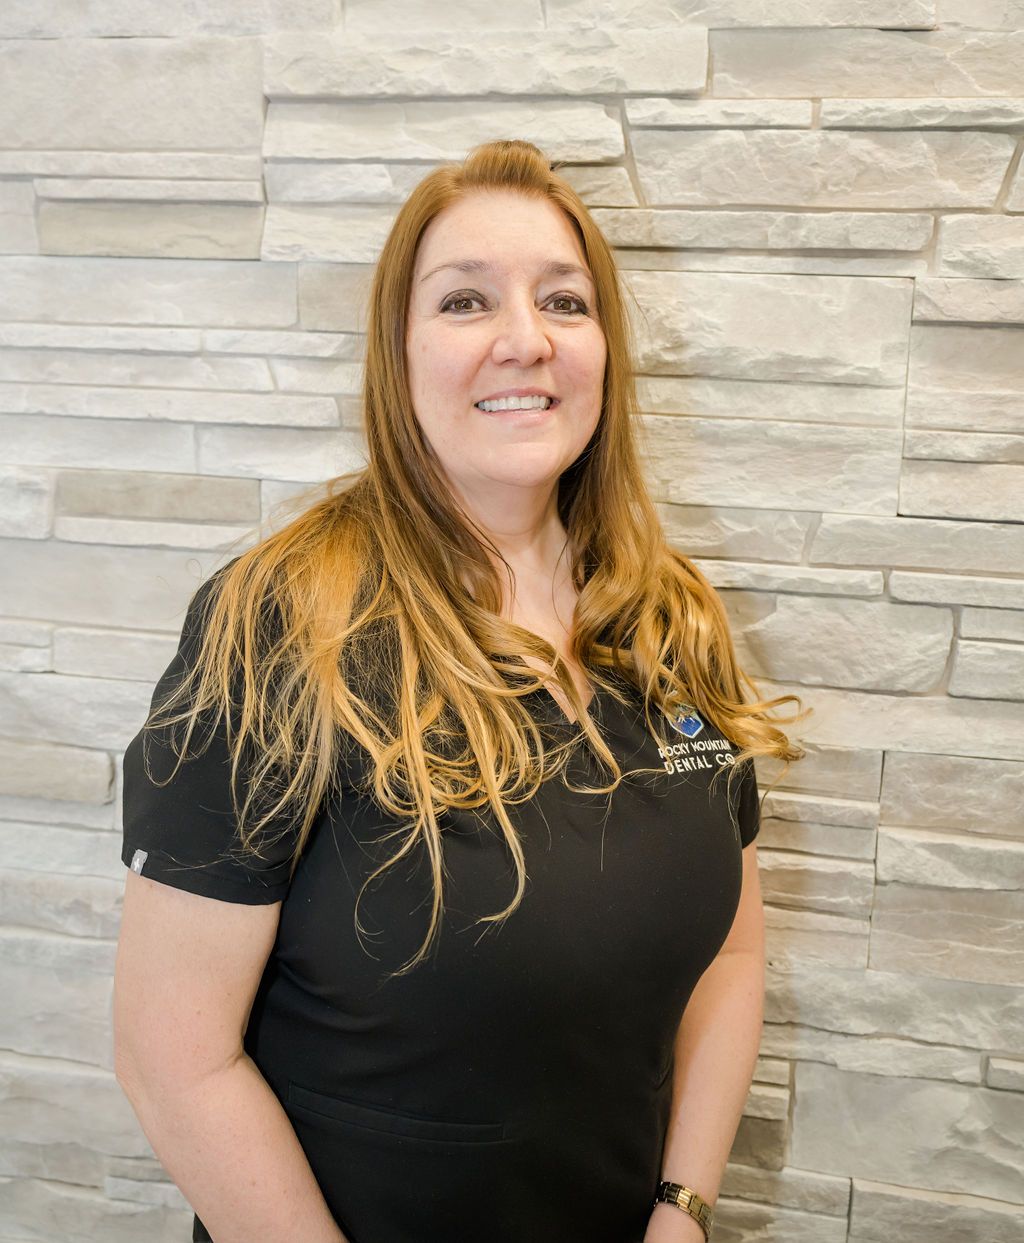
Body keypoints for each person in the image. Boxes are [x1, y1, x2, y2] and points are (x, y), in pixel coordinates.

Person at [113, 138, 804, 1243]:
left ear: (604, 351)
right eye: (466, 299)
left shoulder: (670, 616)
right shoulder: (280, 626)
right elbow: (170, 1055)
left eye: (564, 301)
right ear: (399, 353)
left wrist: (682, 1211)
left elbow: (731, 948)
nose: (524, 339)